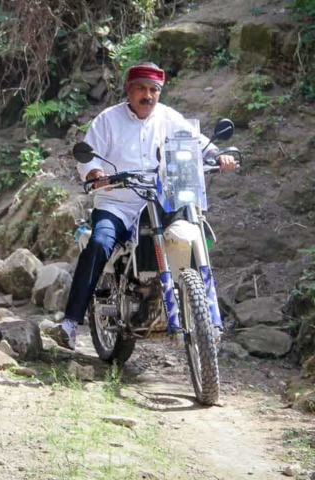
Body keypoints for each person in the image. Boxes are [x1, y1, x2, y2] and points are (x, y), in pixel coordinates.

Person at [48, 62, 237, 350]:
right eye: (141, 89)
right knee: (98, 243)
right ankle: (70, 322)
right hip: (118, 203)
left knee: (195, 231)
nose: (148, 96)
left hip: (161, 201)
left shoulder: (168, 117)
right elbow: (88, 157)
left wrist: (217, 154)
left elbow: (195, 141)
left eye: (153, 90)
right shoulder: (107, 120)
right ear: (129, 90)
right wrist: (95, 174)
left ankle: (202, 312)